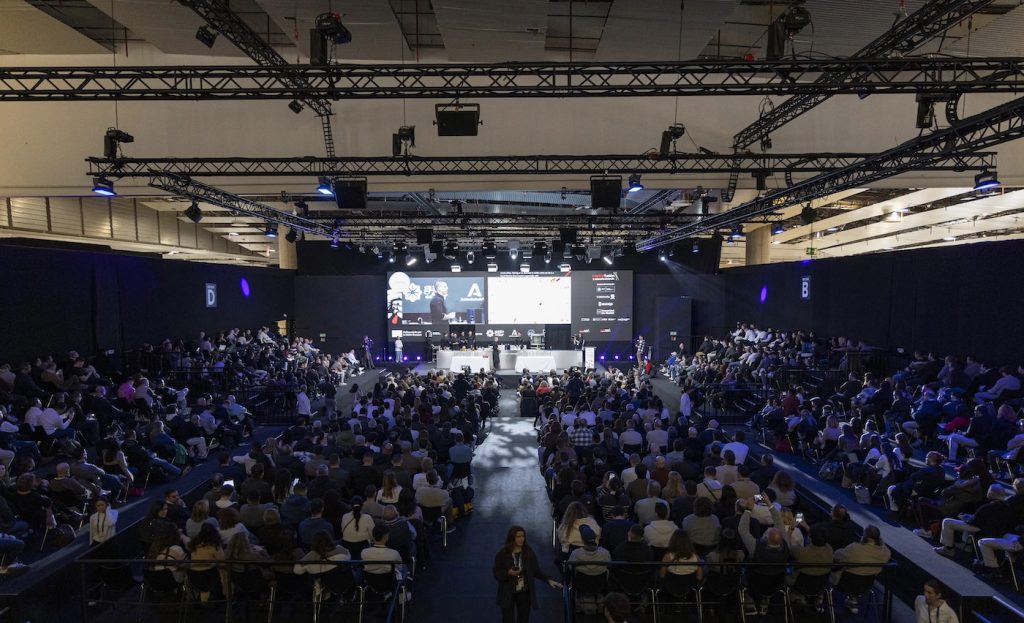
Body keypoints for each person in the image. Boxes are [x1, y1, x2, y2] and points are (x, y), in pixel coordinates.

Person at [492, 525, 562, 623]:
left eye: (523, 536)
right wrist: (508, 572)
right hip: (507, 592)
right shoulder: (502, 554)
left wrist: (548, 580)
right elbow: (496, 573)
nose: (521, 539)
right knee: (508, 620)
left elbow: (536, 570)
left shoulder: (528, 552)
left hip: (524, 592)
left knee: (523, 619)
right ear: (512, 538)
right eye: (518, 537)